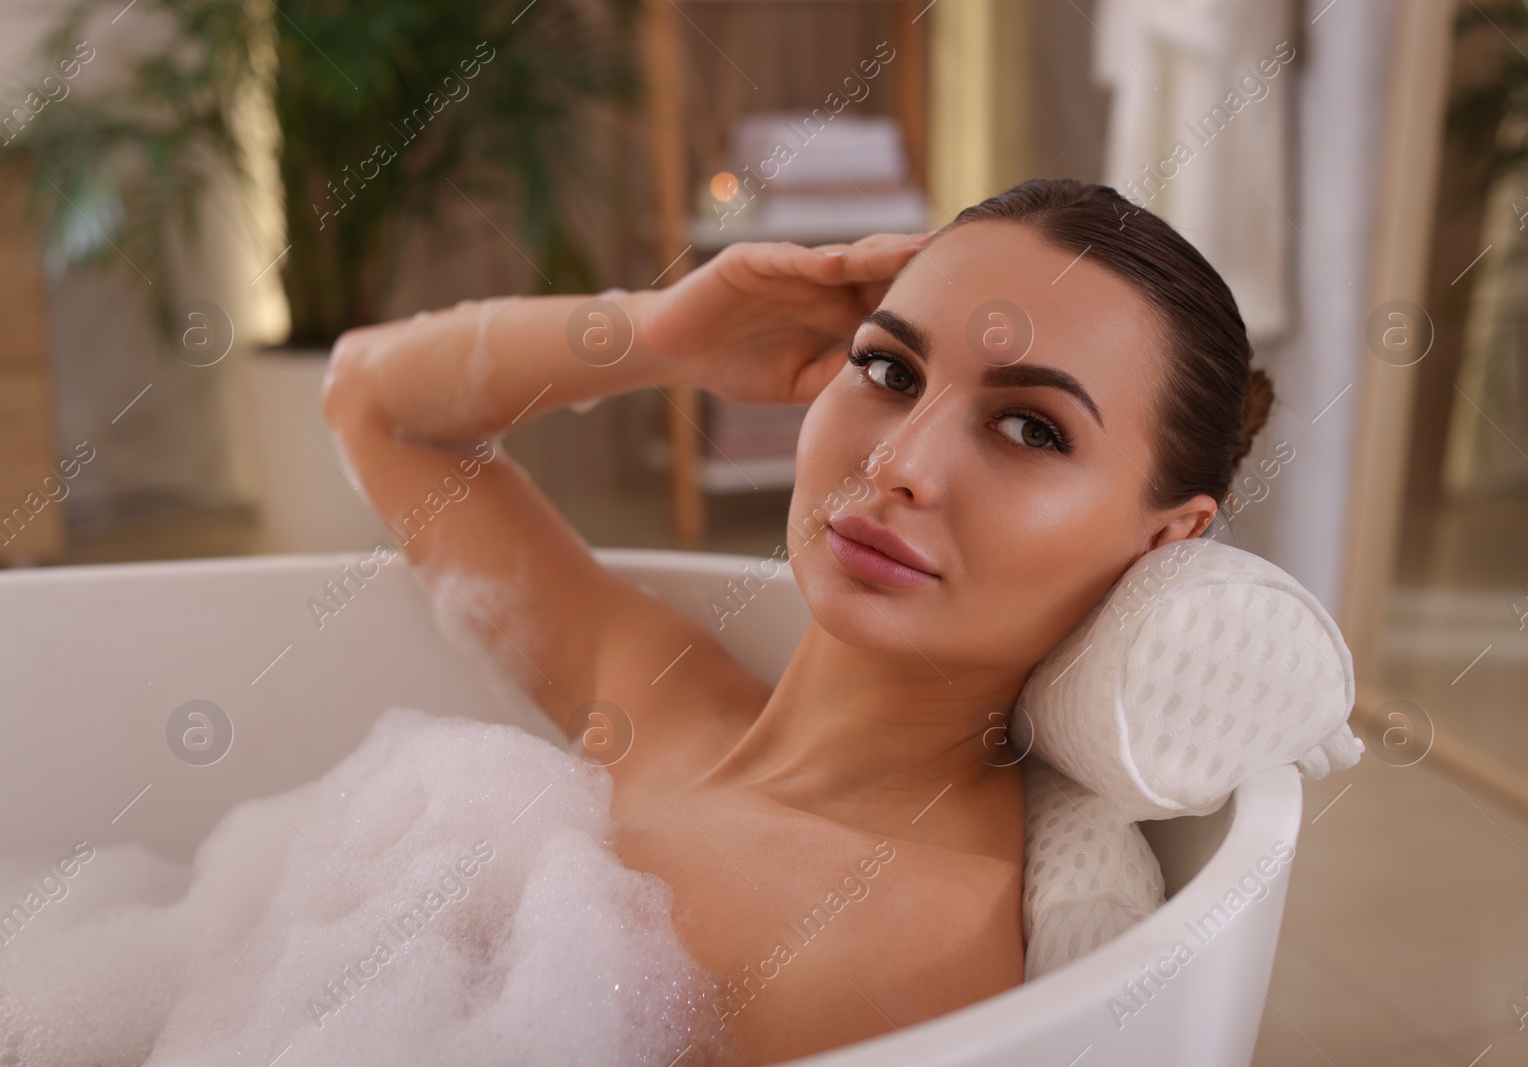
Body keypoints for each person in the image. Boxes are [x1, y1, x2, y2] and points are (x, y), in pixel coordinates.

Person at [321, 177, 1274, 1065]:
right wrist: (664, 333)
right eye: (890, 369)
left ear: (1165, 540)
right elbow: (373, 403)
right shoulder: (657, 687)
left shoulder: (892, 954)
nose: (901, 461)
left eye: (1031, 428)